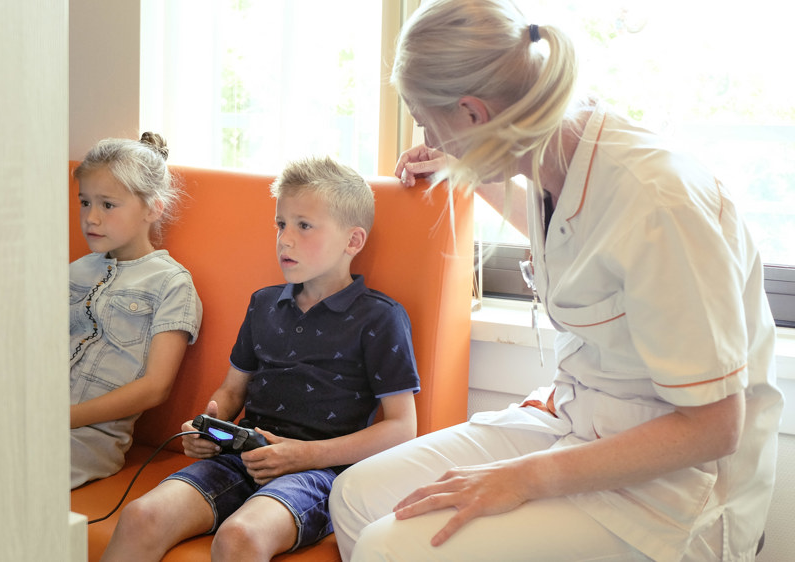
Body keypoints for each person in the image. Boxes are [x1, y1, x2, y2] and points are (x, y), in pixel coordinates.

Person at [328, 1, 784, 560]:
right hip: (578, 421)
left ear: (472, 112)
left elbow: (715, 428)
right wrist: (464, 168)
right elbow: (582, 244)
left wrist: (523, 478)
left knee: (389, 547)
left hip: (676, 487)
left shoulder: (658, 201)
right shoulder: (558, 161)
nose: (429, 138)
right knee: (355, 496)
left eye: (428, 122)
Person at [99, 156, 421, 561]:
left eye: (304, 226)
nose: (285, 239)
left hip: (318, 473)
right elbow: (232, 391)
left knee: (240, 536)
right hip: (241, 455)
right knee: (140, 516)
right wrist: (207, 426)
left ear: (352, 241)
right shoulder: (264, 304)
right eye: (281, 224)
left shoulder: (380, 317)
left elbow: (403, 428)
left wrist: (304, 454)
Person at [69, 134, 202, 489]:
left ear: (153, 209)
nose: (91, 218)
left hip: (86, 439)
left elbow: (155, 387)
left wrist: (63, 418)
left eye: (108, 205)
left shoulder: (171, 283)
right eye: (85, 202)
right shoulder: (75, 271)